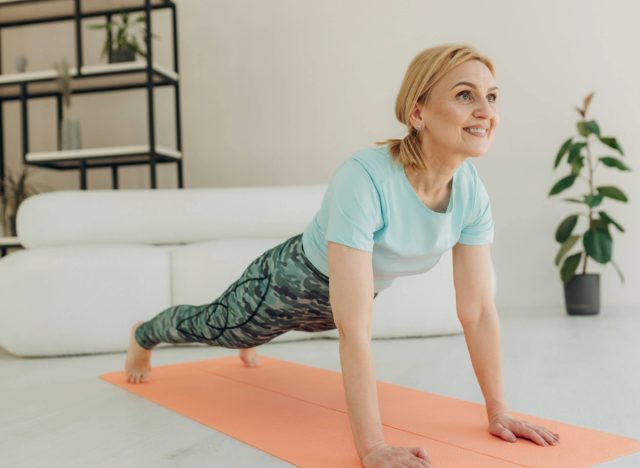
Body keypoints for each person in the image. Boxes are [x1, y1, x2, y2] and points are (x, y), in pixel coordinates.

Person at [125, 43, 560, 467]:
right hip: (284, 284)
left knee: (256, 336)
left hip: (340, 303)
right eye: (465, 95)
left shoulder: (472, 195)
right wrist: (371, 446)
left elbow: (479, 312)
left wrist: (499, 411)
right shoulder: (365, 176)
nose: (486, 110)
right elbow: (354, 329)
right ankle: (145, 334)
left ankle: (251, 343)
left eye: (492, 96)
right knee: (221, 328)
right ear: (418, 112)